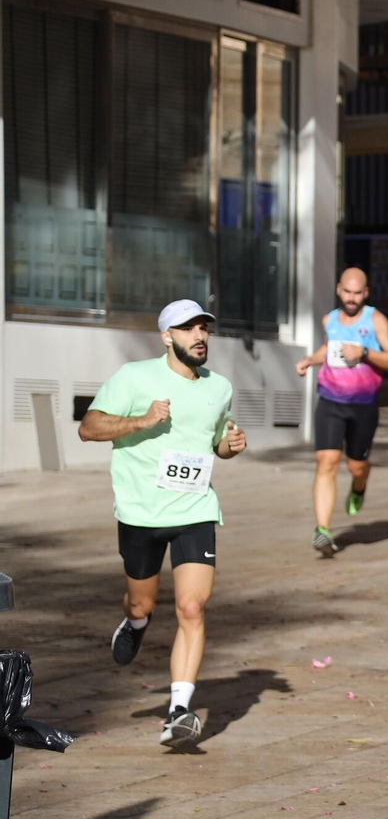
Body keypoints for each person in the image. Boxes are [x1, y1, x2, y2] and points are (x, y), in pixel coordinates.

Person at [78, 299, 248, 748]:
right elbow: (89, 427)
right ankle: (135, 624)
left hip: (195, 511)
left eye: (204, 329)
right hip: (141, 513)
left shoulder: (220, 387)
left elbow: (217, 446)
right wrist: (143, 420)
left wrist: (232, 445)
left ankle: (179, 710)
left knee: (192, 607)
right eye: (188, 329)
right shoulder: (134, 377)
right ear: (166, 336)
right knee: (142, 604)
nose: (199, 336)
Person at [295, 268, 388, 554]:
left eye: (358, 293)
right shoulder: (329, 319)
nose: (352, 298)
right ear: (339, 290)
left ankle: (359, 484)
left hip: (363, 406)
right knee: (326, 462)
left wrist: (364, 352)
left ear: (365, 293)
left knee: (356, 465)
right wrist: (309, 360)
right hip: (330, 401)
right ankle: (323, 530)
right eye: (347, 292)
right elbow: (328, 349)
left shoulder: (376, 320)